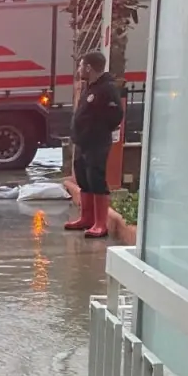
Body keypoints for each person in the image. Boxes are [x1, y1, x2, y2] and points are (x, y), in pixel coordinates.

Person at [66, 50, 123, 239]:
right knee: (84, 179)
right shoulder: (89, 87)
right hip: (83, 142)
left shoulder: (107, 89)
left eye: (81, 65)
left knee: (96, 179)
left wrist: (97, 130)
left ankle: (100, 224)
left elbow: (115, 116)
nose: (79, 69)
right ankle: (87, 218)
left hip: (96, 142)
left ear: (89, 68)